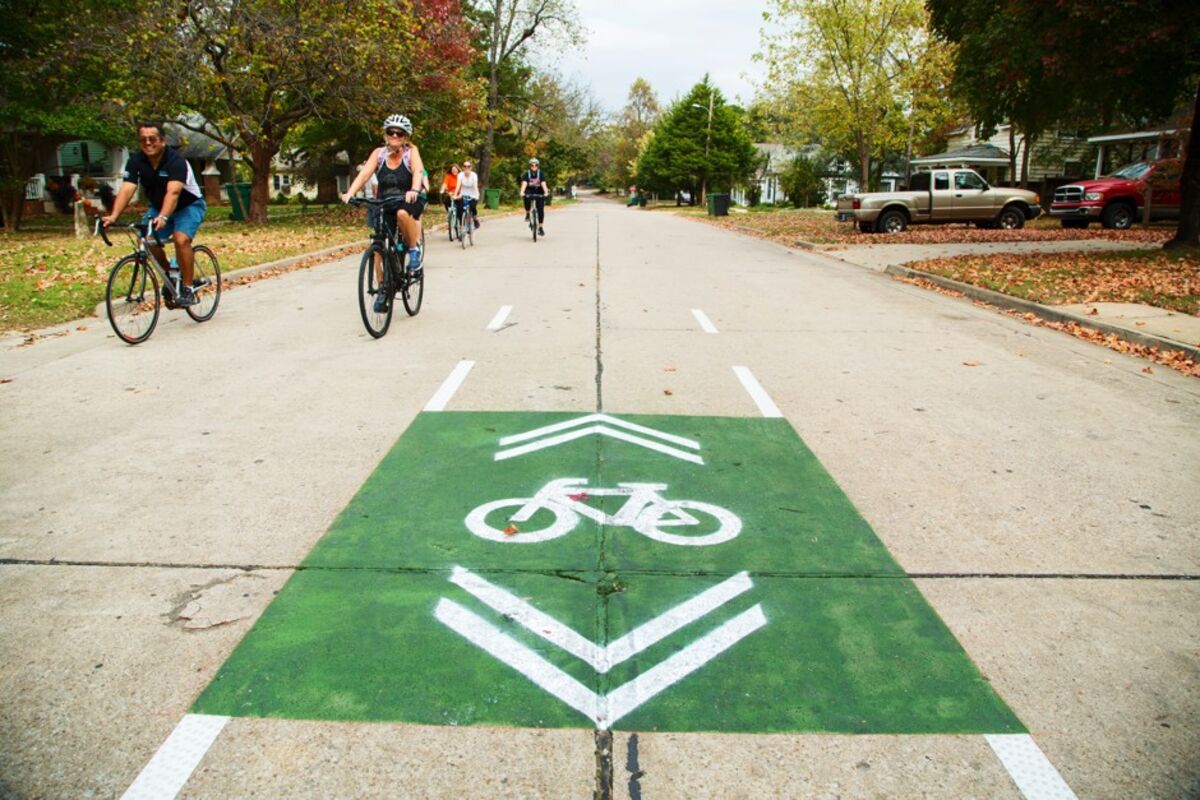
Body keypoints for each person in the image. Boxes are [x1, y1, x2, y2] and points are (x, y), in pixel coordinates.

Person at [101, 121, 208, 306]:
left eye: (153, 139)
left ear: (163, 141)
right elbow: (127, 188)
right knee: (146, 241)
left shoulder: (176, 161)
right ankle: (171, 276)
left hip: (188, 206)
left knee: (181, 239)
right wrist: (113, 215)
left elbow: (173, 193)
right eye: (143, 139)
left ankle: (188, 288)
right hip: (158, 208)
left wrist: (164, 217)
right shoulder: (136, 160)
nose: (148, 143)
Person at [341, 114, 426, 312]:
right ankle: (383, 289)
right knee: (378, 246)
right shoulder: (378, 154)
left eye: (399, 133)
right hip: (386, 201)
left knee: (402, 215)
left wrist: (414, 189)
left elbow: (418, 171)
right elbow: (364, 174)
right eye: (391, 132)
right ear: (386, 135)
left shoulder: (410, 152)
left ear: (405, 137)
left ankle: (413, 251)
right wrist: (350, 193)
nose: (395, 135)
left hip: (409, 199)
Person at [519, 157, 549, 236]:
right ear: (530, 166)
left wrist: (546, 192)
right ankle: (528, 213)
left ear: (538, 166)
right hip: (529, 190)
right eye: (532, 165)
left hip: (539, 191)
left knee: (540, 210)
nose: (534, 167)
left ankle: (541, 227)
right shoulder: (527, 174)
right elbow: (524, 183)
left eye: (536, 165)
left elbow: (543, 184)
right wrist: (522, 192)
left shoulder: (540, 174)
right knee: (526, 198)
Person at [455, 160, 481, 230]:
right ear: (463, 167)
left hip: (473, 195)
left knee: (473, 207)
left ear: (471, 168)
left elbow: (475, 186)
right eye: (465, 166)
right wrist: (455, 195)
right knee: (459, 209)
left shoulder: (474, 175)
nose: (466, 168)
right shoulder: (460, 175)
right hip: (463, 194)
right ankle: (462, 228)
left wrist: (477, 195)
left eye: (468, 166)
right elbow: (458, 186)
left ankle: (475, 219)